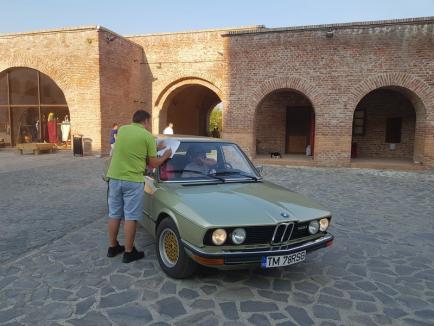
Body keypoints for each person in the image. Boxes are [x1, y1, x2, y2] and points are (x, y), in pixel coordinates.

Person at [106, 110, 171, 263]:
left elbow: (134, 147)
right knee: (130, 216)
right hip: (133, 181)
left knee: (114, 213)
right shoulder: (147, 136)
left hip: (114, 178)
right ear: (146, 121)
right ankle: (129, 252)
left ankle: (113, 247)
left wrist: (155, 146)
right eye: (149, 122)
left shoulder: (122, 130)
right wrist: (165, 155)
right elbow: (153, 163)